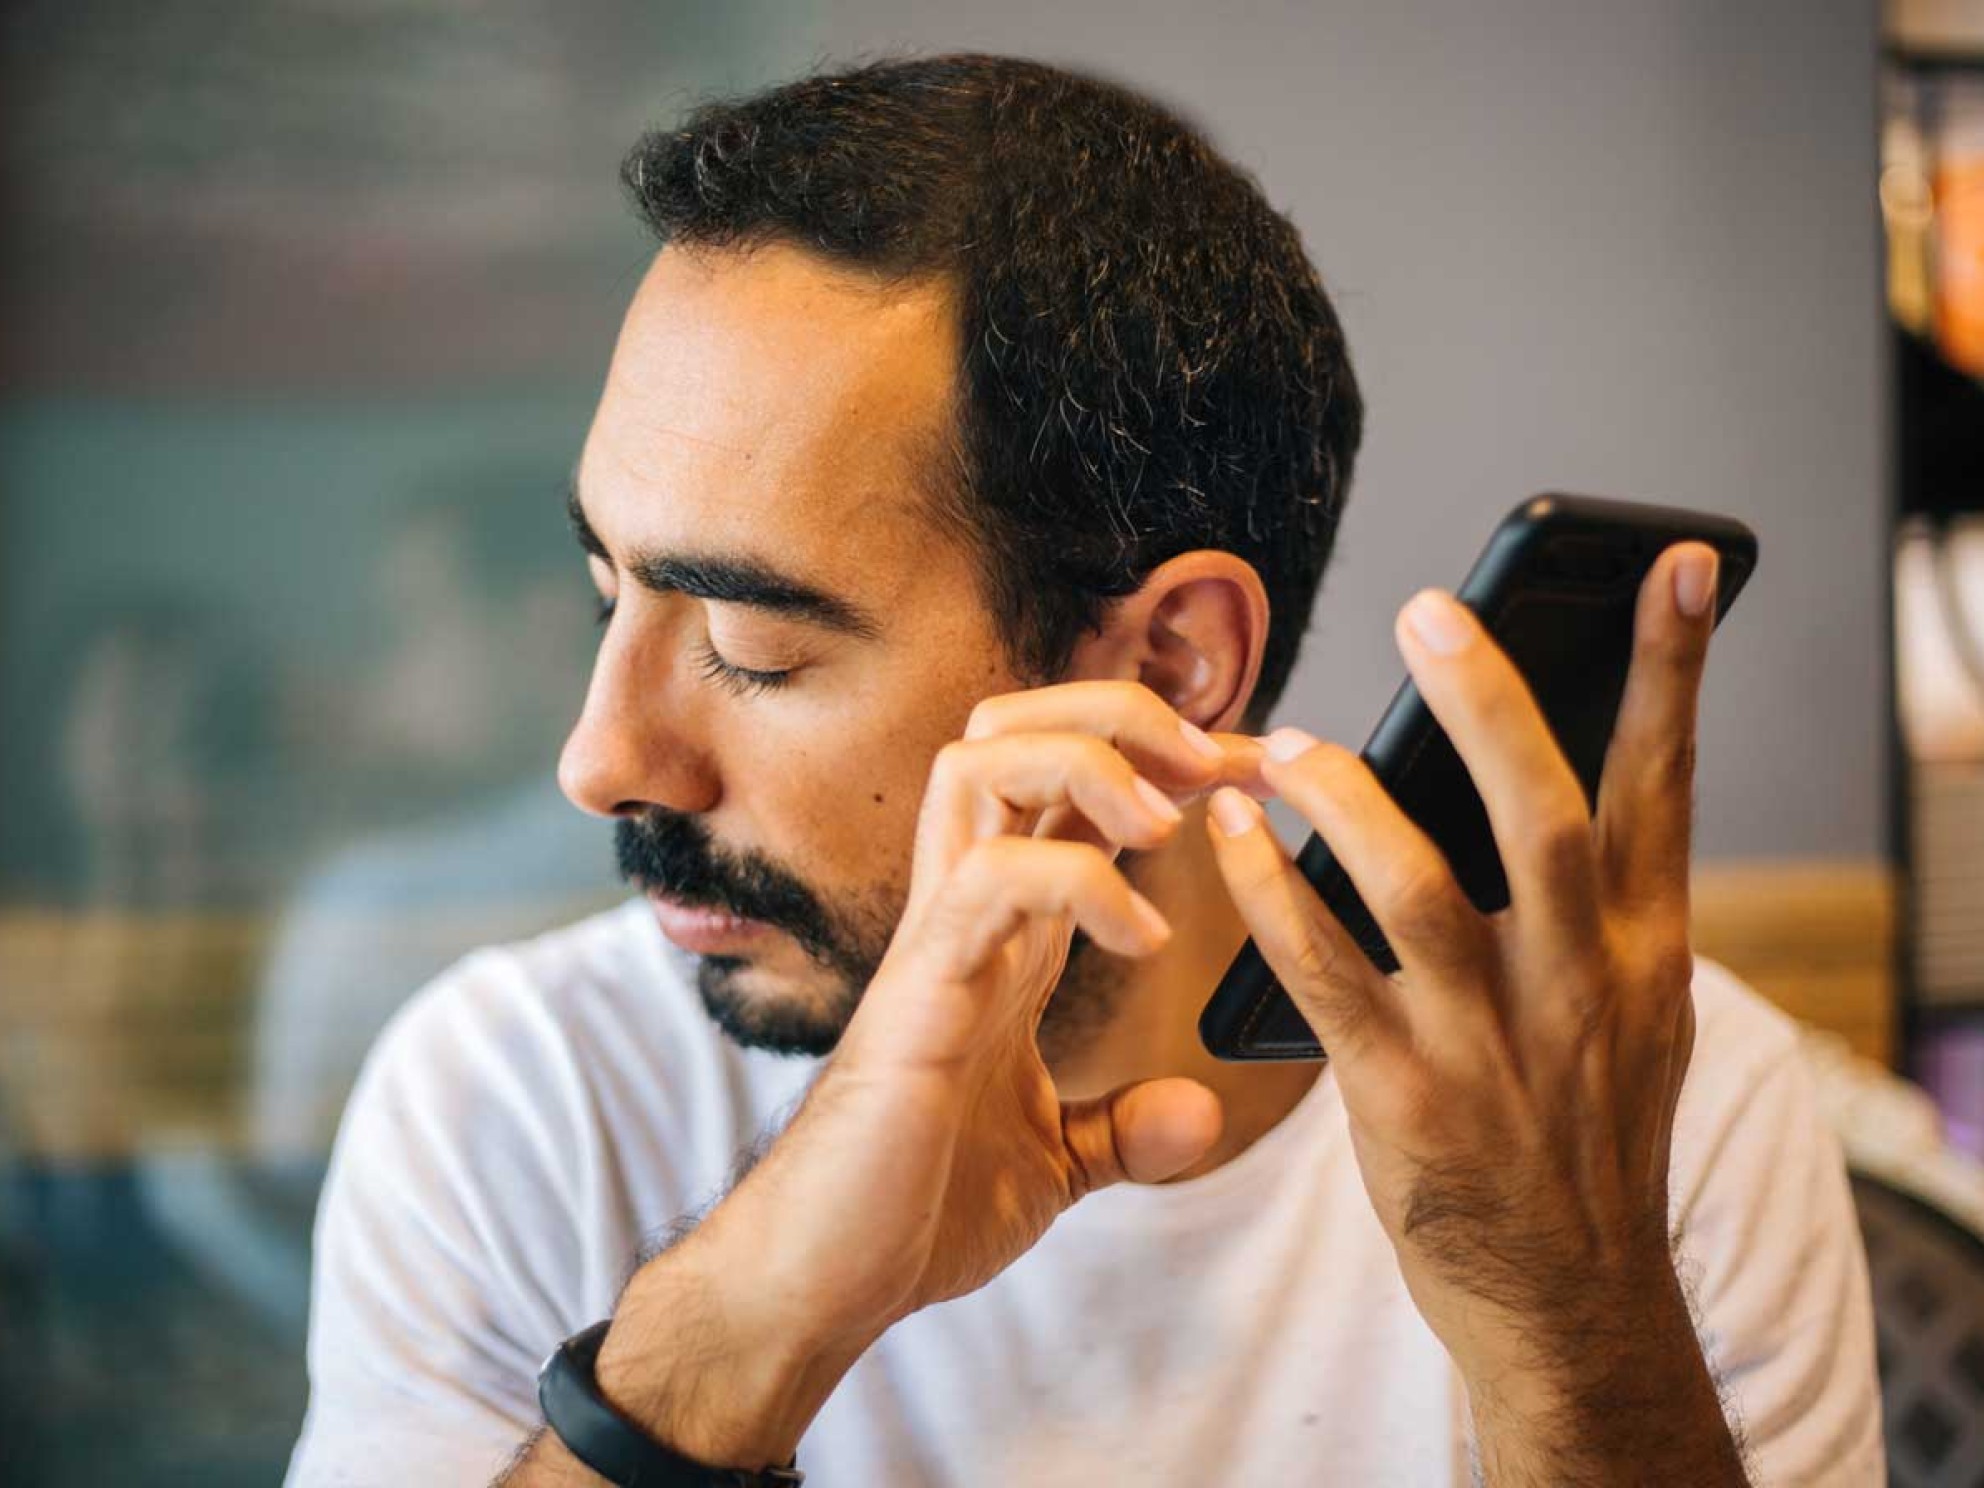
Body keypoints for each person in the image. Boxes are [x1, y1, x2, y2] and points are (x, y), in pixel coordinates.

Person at [286, 54, 1882, 1486]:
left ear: (1170, 662)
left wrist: (1569, 1323)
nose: (600, 758)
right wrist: (750, 1323)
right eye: (606, 596)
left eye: (756, 647)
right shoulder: (529, 1095)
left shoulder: (1663, 1120)